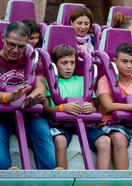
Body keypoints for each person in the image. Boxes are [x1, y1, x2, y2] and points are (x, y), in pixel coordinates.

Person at [43, 44, 111, 170]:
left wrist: (90, 108)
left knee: (105, 141)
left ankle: (100, 181)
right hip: (59, 126)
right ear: (55, 65)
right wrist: (62, 108)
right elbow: (46, 109)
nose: (69, 67)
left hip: (83, 125)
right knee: (60, 140)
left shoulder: (83, 81)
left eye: (72, 63)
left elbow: (95, 107)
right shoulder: (49, 82)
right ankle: (63, 181)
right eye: (64, 63)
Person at [0, 21, 55, 169]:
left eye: (21, 46)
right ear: (3, 38)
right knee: (2, 162)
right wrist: (8, 97)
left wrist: (32, 97)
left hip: (28, 113)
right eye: (11, 44)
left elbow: (40, 87)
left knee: (45, 141)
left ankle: (48, 182)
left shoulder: (33, 60)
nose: (15, 50)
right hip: (2, 115)